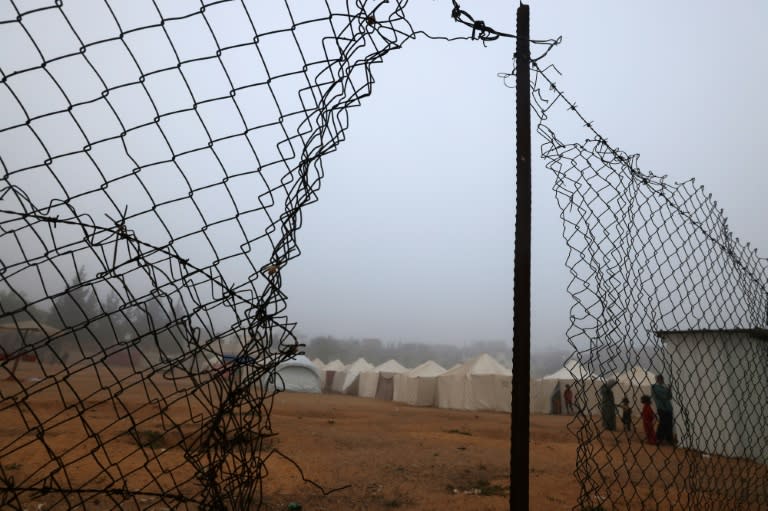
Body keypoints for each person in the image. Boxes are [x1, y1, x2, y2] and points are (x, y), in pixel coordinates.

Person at [651, 374, 674, 445]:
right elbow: (663, 396)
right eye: (662, 379)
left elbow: (669, 396)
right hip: (661, 408)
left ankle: (668, 439)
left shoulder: (664, 387)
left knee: (669, 424)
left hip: (668, 408)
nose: (663, 380)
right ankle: (659, 438)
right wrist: (668, 390)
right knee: (663, 423)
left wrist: (668, 390)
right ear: (659, 379)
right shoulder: (655, 387)